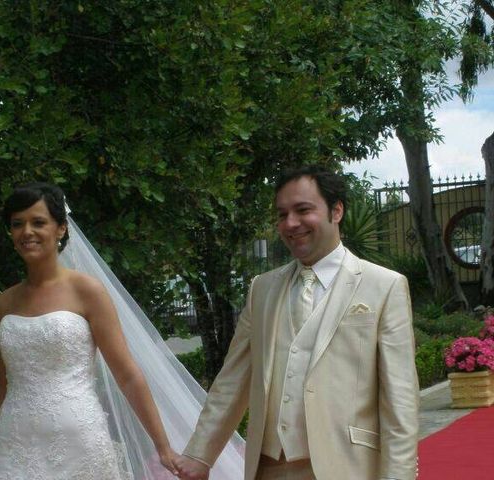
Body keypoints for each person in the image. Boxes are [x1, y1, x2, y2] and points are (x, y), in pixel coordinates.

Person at [175, 166, 419, 480]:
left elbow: (400, 399)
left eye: (303, 210)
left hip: (348, 467)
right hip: (268, 467)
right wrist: (199, 455)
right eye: (282, 214)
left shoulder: (384, 286)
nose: (291, 224)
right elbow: (232, 380)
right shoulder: (261, 289)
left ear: (337, 211)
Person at [0, 182, 180, 480]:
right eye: (17, 224)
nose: (26, 232)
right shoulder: (3, 304)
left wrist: (163, 446)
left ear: (61, 229)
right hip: (14, 446)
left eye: (38, 222)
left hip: (79, 443)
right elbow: (5, 384)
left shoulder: (87, 291)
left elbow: (127, 374)